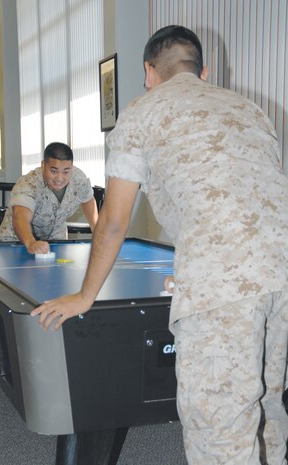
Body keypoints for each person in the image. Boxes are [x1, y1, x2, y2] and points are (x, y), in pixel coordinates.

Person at [31, 26, 288, 465]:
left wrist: (85, 295)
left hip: (222, 288)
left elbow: (112, 220)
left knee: (220, 434)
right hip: (281, 273)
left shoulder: (142, 111)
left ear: (149, 71)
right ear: (203, 72)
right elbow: (250, 200)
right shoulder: (250, 108)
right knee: (266, 407)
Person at [0, 142, 98, 254]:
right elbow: (20, 217)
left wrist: (98, 233)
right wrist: (31, 243)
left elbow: (88, 200)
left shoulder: (78, 179)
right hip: (17, 242)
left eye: (66, 171)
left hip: (56, 241)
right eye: (54, 171)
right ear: (43, 165)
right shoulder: (28, 183)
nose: (59, 178)